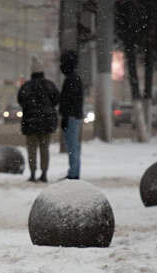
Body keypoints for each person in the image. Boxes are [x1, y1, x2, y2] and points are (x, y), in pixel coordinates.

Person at [17, 56, 59, 182]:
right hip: (46, 124)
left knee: (32, 150)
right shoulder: (50, 85)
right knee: (44, 149)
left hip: (30, 124)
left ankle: (32, 173)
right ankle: (44, 173)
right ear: (42, 72)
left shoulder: (26, 87)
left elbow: (20, 100)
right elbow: (56, 100)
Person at [59, 50, 84, 180]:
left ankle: (73, 173)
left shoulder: (72, 79)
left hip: (71, 117)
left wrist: (65, 115)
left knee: (72, 146)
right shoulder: (73, 78)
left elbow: (69, 100)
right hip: (72, 116)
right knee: (72, 146)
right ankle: (73, 171)